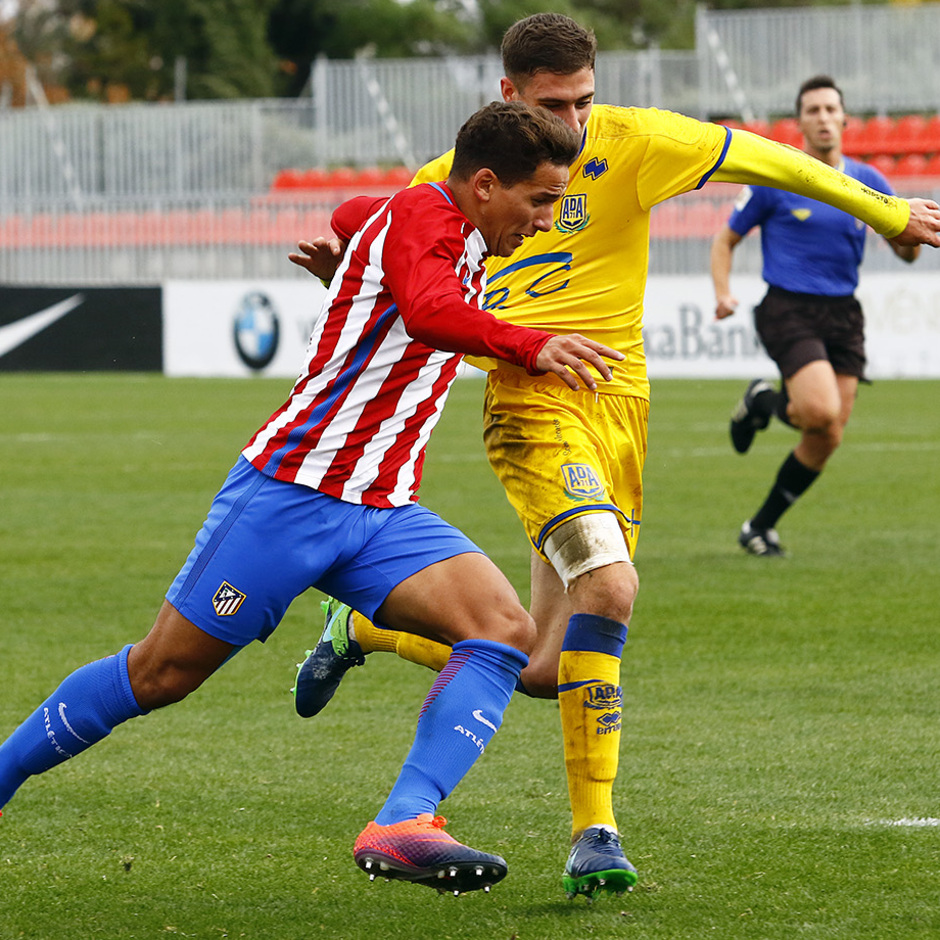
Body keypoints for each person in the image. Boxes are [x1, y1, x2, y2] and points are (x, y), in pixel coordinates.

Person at [289, 15, 940, 900]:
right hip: (529, 404)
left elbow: (771, 160)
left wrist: (890, 209)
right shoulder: (459, 181)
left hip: (622, 412)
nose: (578, 121)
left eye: (587, 99)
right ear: (509, 94)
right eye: (556, 104)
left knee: (544, 667)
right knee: (612, 586)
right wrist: (350, 281)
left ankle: (360, 628)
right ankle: (595, 831)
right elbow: (419, 294)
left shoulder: (633, 142)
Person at [0, 101, 621, 895]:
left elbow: (356, 214)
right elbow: (431, 312)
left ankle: (404, 821)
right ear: (487, 184)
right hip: (291, 493)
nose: (545, 221)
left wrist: (358, 260)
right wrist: (533, 343)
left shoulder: (444, 228)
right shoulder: (426, 215)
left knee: (502, 630)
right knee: (159, 675)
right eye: (539, 201)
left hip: (380, 508)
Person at [711, 75, 920, 557]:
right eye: (813, 110)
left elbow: (902, 247)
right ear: (800, 121)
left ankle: (759, 527)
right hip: (788, 307)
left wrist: (909, 242)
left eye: (831, 109)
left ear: (845, 119)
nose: (824, 118)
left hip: (844, 313)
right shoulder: (778, 178)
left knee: (827, 435)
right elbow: (725, 239)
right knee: (820, 410)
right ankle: (764, 402)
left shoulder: (869, 182)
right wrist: (723, 292)